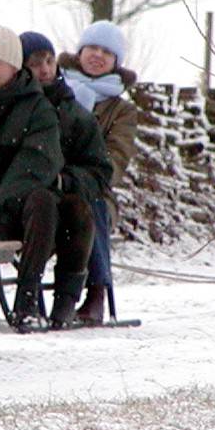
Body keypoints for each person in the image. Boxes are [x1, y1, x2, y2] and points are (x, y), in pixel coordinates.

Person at [0, 25, 64, 330]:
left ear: (14, 67)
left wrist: (0, 209)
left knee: (43, 202)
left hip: (14, 208)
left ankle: (27, 296)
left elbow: (37, 161)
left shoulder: (38, 109)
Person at [21, 31, 113, 328]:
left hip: (69, 194)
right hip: (21, 199)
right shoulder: (14, 107)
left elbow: (102, 168)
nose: (46, 69)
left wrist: (64, 181)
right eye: (35, 64)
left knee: (81, 211)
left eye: (49, 61)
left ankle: (73, 298)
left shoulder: (73, 112)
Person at [57, 20, 140, 325]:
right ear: (80, 51)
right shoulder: (57, 90)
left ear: (115, 62)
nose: (97, 55)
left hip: (96, 188)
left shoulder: (121, 110)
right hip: (52, 182)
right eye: (92, 47)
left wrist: (83, 177)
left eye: (107, 52)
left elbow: (116, 158)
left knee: (92, 207)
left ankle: (96, 292)